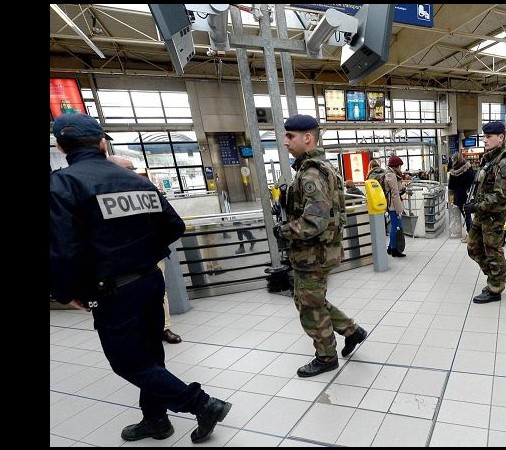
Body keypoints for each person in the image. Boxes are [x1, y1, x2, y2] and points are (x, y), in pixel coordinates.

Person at [50, 113, 230, 443]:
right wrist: (143, 251)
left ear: (61, 147)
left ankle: (202, 404)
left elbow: (63, 249)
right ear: (103, 143)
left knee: (129, 363)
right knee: (151, 358)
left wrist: (66, 291)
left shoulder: (62, 185)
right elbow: (175, 226)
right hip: (150, 280)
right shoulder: (137, 181)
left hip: (114, 292)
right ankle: (156, 421)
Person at [273, 114, 368, 377]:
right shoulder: (319, 167)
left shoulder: (311, 173)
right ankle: (352, 331)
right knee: (312, 299)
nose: (285, 142)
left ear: (307, 138)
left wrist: (283, 229)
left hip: (312, 253)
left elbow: (314, 221)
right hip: (320, 251)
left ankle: (326, 357)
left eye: (290, 136)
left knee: (308, 305)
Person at [107, 155, 183, 345]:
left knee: (158, 292)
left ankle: (164, 328)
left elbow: (173, 224)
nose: (132, 172)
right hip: (118, 262)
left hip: (150, 257)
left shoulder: (145, 189)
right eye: (127, 168)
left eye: (133, 168)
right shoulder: (101, 193)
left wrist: (153, 246)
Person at [463, 121, 506, 304]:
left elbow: (501, 196)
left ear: (500, 138)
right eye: (484, 136)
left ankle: (495, 287)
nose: (484, 140)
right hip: (482, 213)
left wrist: (476, 207)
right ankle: (495, 277)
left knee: (493, 252)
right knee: (473, 247)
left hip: (493, 215)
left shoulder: (505, 162)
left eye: (489, 137)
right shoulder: (489, 159)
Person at [447, 152, 475, 243]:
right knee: (469, 214)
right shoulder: (468, 167)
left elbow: (451, 186)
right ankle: (471, 234)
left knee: (466, 215)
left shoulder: (453, 172)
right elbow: (473, 178)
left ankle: (470, 235)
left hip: (460, 195)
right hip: (470, 194)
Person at [385, 154, 407, 257]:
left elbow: (396, 189)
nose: (400, 168)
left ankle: (390, 247)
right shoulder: (392, 175)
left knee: (396, 225)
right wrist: (399, 209)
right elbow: (394, 193)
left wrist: (402, 187)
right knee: (396, 226)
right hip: (393, 206)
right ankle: (394, 249)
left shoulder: (391, 174)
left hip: (392, 204)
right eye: (399, 166)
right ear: (395, 166)